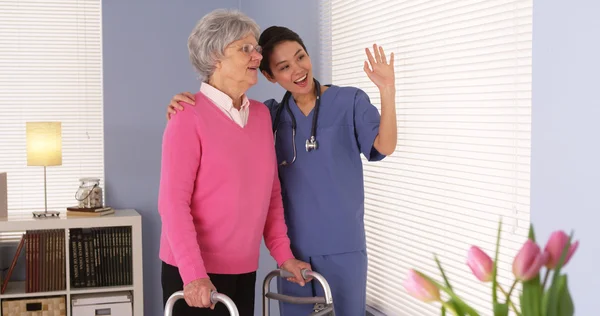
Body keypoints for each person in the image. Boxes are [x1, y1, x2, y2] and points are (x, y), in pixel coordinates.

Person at [165, 25, 397, 316]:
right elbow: (176, 199)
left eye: (301, 57)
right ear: (269, 76)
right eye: (283, 66)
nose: (297, 70)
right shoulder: (271, 114)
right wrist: (185, 106)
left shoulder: (343, 102)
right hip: (292, 248)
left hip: (339, 246)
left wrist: (387, 90)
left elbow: (383, 147)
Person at [158, 10, 311, 316]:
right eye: (245, 48)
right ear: (215, 57)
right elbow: (173, 203)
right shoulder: (187, 116)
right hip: (195, 277)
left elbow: (270, 193)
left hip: (244, 269)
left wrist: (283, 256)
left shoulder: (260, 115)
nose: (257, 55)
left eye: (256, 48)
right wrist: (194, 275)